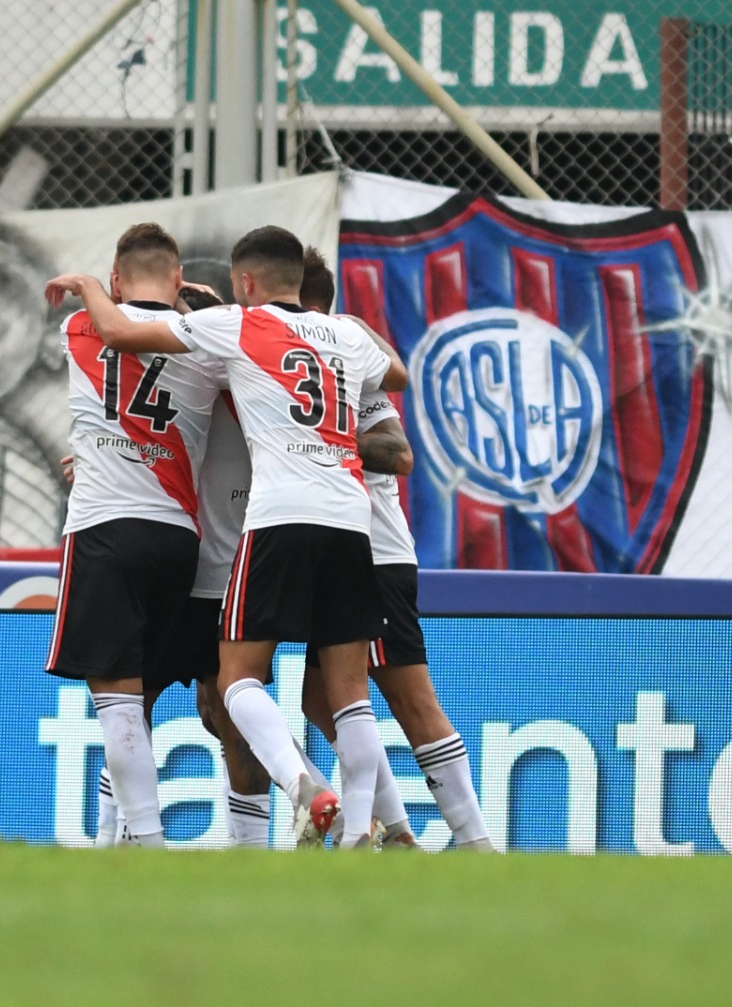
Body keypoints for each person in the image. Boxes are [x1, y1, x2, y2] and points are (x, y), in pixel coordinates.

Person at [46, 225, 408, 848]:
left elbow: (121, 339)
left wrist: (93, 293)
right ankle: (369, 827)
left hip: (224, 547)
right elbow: (393, 386)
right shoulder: (239, 354)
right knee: (265, 705)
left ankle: (161, 840)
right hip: (227, 545)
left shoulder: (219, 337)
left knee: (165, 701)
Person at [298, 247, 496, 852]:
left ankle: (474, 841)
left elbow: (398, 452)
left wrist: (319, 431)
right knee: (318, 699)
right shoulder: (300, 361)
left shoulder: (346, 358)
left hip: (374, 555)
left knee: (411, 700)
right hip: (341, 554)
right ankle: (402, 834)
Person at [46, 222, 224, 849]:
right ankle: (111, 843)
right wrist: (188, 303)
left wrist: (94, 287)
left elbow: (118, 326)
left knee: (118, 705)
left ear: (116, 280)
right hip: (179, 538)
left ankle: (147, 846)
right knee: (145, 701)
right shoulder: (209, 343)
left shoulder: (79, 326)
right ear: (178, 280)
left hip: (106, 527)